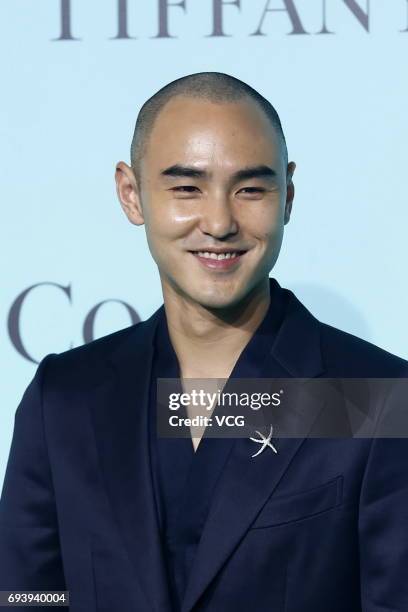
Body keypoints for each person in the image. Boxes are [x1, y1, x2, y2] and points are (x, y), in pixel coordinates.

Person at [0, 72, 407, 612]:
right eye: (187, 188)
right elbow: (28, 595)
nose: (218, 222)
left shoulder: (376, 399)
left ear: (287, 195)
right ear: (132, 194)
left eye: (250, 189)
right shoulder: (67, 399)